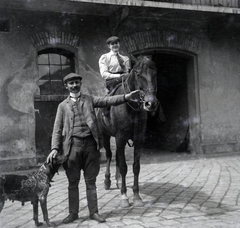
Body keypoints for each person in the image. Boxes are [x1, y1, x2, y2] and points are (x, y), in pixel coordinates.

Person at [46, 72, 139, 224]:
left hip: (90, 145)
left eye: (77, 82)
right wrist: (55, 148)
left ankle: (94, 212)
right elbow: (57, 128)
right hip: (72, 147)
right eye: (71, 83)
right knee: (73, 182)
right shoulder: (62, 106)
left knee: (91, 181)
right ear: (66, 86)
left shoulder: (89, 99)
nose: (74, 85)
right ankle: (73, 213)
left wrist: (126, 97)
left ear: (80, 84)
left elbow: (108, 100)